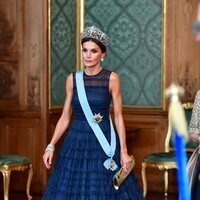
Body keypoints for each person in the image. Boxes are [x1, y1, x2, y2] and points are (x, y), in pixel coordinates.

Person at [42, 26, 144, 199]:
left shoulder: (112, 78)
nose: (88, 55)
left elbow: (119, 116)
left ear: (102, 54)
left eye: (94, 51)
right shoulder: (72, 79)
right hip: (76, 140)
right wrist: (51, 146)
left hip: (104, 140)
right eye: (85, 50)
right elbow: (65, 116)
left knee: (105, 189)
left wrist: (124, 151)